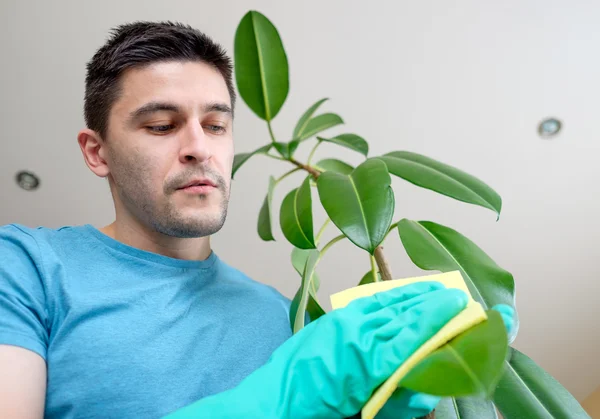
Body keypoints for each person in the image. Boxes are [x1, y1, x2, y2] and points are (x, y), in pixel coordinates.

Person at [0, 22, 515, 419]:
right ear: (98, 152)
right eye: (162, 125)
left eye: (216, 124)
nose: (199, 147)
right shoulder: (26, 266)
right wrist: (277, 399)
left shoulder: (285, 317)